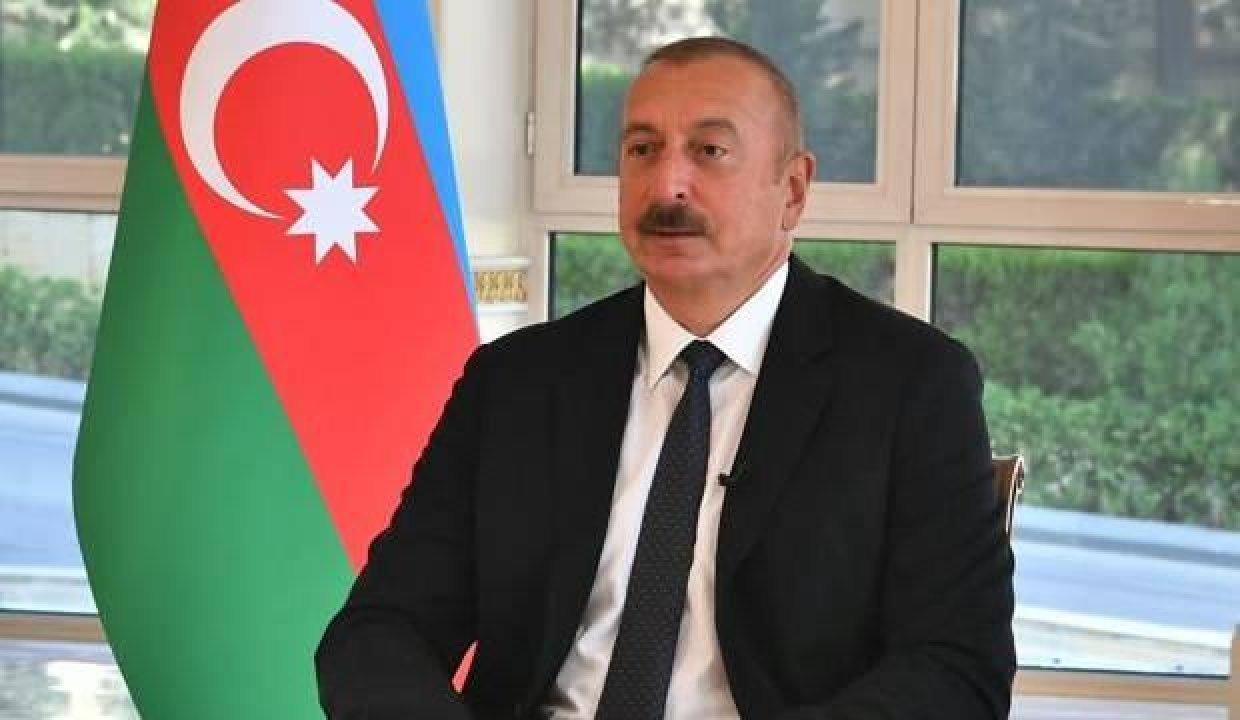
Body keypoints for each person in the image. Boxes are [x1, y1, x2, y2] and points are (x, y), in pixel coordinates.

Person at [316, 37, 1015, 720]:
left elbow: (956, 668)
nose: (666, 185)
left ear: (793, 190)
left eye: (709, 151)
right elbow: (380, 629)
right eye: (642, 150)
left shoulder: (908, 384)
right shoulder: (517, 382)